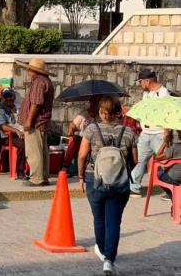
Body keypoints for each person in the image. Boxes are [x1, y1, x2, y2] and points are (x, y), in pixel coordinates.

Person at [77, 96, 136, 276]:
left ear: (102, 112)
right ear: (118, 112)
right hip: (119, 183)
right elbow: (135, 160)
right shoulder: (129, 132)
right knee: (114, 221)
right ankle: (109, 259)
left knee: (99, 218)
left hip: (94, 179)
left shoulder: (91, 130)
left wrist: (80, 176)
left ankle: (102, 252)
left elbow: (81, 156)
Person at [130, 69, 173, 198]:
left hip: (159, 133)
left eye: (140, 81)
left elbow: (168, 112)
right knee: (140, 161)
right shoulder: (146, 94)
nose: (139, 84)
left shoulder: (164, 93)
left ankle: (170, 190)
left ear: (147, 81)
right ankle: (134, 188)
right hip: (146, 133)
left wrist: (166, 133)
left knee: (164, 163)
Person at [16, 58, 55, 187]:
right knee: (41, 150)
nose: (28, 71)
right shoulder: (46, 81)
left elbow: (36, 104)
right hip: (42, 121)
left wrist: (29, 121)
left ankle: (36, 178)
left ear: (34, 71)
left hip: (36, 122)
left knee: (34, 151)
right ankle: (43, 176)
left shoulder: (39, 82)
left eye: (30, 69)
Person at [0, 89, 27, 179]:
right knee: (22, 145)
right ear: (3, 98)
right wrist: (16, 131)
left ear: (14, 97)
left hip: (22, 133)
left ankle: (34, 171)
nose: (8, 99)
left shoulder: (18, 107)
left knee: (36, 142)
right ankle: (20, 171)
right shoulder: (0, 111)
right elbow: (1, 126)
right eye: (6, 97)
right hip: (8, 138)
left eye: (10, 96)